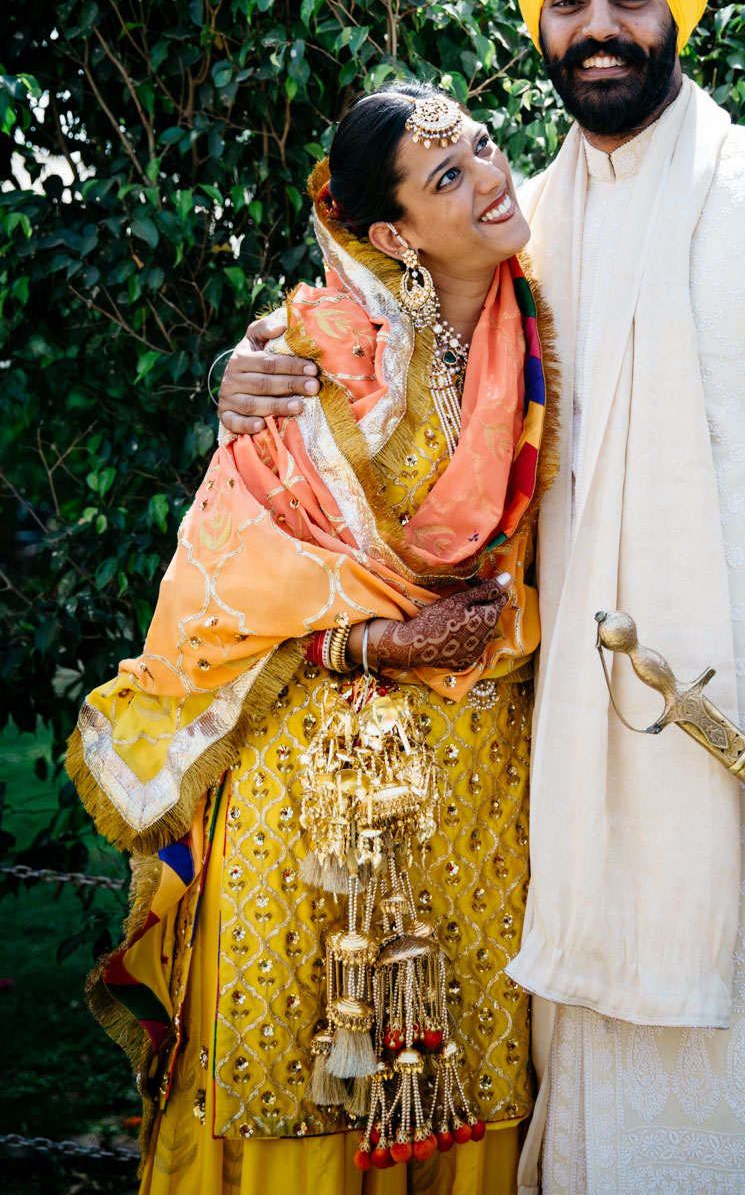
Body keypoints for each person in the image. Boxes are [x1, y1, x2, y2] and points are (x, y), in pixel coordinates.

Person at [218, 0, 745, 1193]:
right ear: (541, 32)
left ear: (677, 14)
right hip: (586, 774)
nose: (598, 25)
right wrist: (245, 370)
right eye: (568, 2)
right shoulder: (517, 232)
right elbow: (364, 346)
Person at [68, 83, 557, 1194]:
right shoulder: (307, 353)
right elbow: (229, 586)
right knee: (300, 1082)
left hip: (481, 798)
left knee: (476, 1077)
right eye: (448, 176)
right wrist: (369, 645)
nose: (490, 176)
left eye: (482, 146)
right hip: (308, 810)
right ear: (391, 235)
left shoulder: (550, 311)